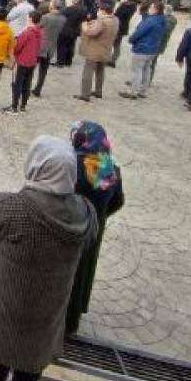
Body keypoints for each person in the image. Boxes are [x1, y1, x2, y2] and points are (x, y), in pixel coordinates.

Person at [0, 136, 97, 381]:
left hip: (7, 297)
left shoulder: (12, 206)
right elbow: (88, 242)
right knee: (37, 347)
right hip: (50, 304)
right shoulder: (85, 212)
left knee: (0, 342)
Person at [65, 121, 124, 334]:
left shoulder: (72, 163)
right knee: (83, 273)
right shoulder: (109, 167)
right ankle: (73, 320)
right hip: (93, 230)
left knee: (66, 273)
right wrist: (99, 215)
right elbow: (118, 200)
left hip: (69, 226)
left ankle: (60, 321)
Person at [74, 2, 119, 102]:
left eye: (99, 10)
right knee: (100, 71)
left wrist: (84, 26)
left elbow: (91, 32)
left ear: (103, 11)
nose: (98, 12)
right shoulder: (115, 20)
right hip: (106, 49)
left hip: (94, 50)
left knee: (88, 71)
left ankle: (85, 94)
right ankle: (98, 91)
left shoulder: (102, 21)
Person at [120, 3, 166, 100]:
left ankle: (133, 91)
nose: (149, 8)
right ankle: (143, 91)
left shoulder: (150, 21)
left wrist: (131, 39)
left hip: (142, 48)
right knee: (146, 70)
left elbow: (139, 32)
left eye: (151, 7)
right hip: (153, 50)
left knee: (137, 71)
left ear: (156, 10)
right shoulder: (162, 21)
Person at [6, 10, 43, 113]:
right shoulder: (40, 32)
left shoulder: (27, 32)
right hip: (32, 61)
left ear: (30, 19)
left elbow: (17, 47)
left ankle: (14, 106)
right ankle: (23, 105)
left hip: (22, 61)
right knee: (27, 83)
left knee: (17, 83)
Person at [32, 0, 65, 98]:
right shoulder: (63, 19)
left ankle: (26, 86)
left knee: (31, 68)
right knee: (43, 70)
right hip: (51, 46)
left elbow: (37, 27)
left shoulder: (46, 17)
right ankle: (38, 89)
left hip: (40, 45)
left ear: (52, 7)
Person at [149, 4, 178, 84]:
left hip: (158, 45)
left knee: (151, 63)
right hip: (155, 43)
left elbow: (165, 30)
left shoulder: (171, 20)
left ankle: (147, 80)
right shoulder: (164, 18)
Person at [56, 0, 86, 67]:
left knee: (62, 46)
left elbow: (60, 17)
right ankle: (68, 61)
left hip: (65, 30)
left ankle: (60, 61)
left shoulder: (66, 9)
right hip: (75, 30)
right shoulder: (83, 10)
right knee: (71, 45)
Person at [110, 0, 138, 67]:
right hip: (123, 27)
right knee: (117, 43)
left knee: (114, 43)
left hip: (119, 26)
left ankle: (111, 59)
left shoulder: (125, 5)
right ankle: (113, 59)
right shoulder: (133, 5)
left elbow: (118, 14)